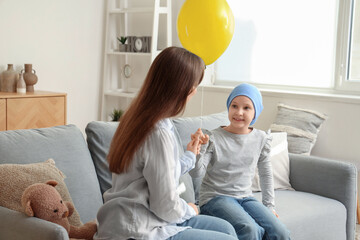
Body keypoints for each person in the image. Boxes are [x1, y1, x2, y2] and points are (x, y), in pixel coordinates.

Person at [94, 47, 237, 240]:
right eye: (194, 86)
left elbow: (160, 173)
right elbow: (165, 205)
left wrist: (190, 155)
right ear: (184, 90)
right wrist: (189, 210)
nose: (194, 92)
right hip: (137, 229)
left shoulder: (138, 118)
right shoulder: (158, 133)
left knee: (226, 229)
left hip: (137, 220)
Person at [190, 83, 291, 240]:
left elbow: (265, 174)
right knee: (250, 229)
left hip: (245, 197)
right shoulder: (213, 137)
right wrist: (199, 149)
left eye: (246, 108)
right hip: (215, 198)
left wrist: (269, 206)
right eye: (234, 106)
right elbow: (196, 173)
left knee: (280, 232)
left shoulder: (261, 139)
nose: (239, 112)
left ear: (255, 112)